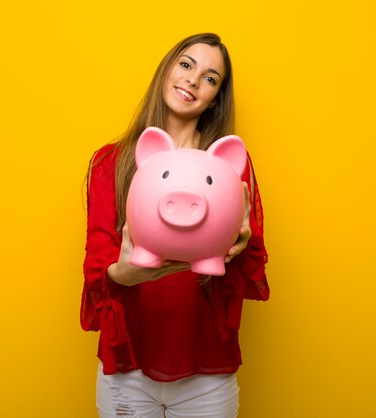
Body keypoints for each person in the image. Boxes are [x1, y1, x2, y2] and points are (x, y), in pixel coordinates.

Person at [81, 33, 269, 418]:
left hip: (206, 372)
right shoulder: (110, 162)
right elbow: (99, 267)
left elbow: (252, 259)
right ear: (167, 69)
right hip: (127, 366)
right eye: (186, 65)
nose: (193, 80)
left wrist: (241, 245)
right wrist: (128, 273)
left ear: (215, 97)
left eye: (210, 77)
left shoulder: (232, 166)